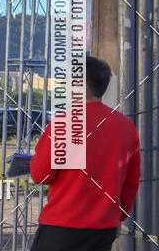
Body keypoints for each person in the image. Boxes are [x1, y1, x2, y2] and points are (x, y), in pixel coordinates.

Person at [29, 56, 141, 251]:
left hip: (63, 227)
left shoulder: (65, 124)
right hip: (104, 229)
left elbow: (42, 175)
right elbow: (131, 181)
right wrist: (118, 216)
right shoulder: (126, 126)